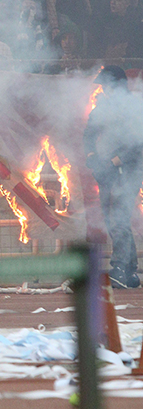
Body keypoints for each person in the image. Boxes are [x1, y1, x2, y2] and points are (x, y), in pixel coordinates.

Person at [84, 65, 143, 289]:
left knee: (119, 218)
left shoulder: (135, 107)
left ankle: (119, 267)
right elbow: (88, 133)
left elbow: (137, 143)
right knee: (112, 218)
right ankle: (130, 271)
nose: (103, 89)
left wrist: (113, 162)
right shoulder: (103, 107)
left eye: (106, 84)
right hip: (106, 170)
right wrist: (92, 156)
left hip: (129, 170)